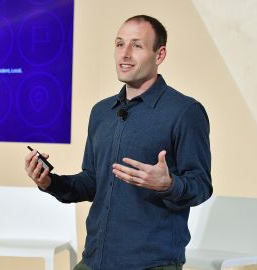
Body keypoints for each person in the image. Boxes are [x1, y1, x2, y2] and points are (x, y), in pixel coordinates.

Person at [25, 15, 212, 270]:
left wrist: (168, 185)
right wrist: (50, 182)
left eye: (136, 45)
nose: (124, 54)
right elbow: (91, 183)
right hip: (95, 259)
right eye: (119, 44)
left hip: (151, 263)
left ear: (160, 55)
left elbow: (201, 185)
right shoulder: (101, 112)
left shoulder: (184, 112)